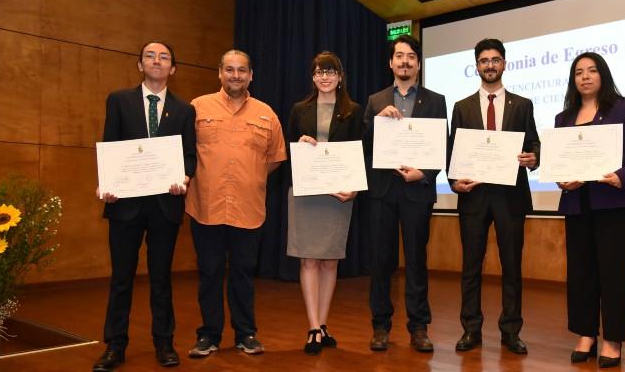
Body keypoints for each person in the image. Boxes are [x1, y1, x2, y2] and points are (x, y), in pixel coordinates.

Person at [93, 41, 196, 372]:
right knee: (121, 278)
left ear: (173, 69)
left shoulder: (184, 110)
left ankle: (164, 343)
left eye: (164, 57)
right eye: (150, 56)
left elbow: (190, 155)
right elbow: (110, 147)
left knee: (162, 278)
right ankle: (115, 346)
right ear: (140, 65)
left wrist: (184, 177)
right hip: (125, 204)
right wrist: (107, 184)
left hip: (165, 205)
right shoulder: (119, 101)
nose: (157, 61)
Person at [184, 49, 287, 358]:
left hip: (248, 208)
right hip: (206, 206)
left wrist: (249, 176)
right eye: (229, 69)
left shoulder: (267, 114)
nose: (235, 75)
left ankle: (246, 334)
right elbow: (185, 152)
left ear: (251, 75)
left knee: (243, 274)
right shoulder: (197, 108)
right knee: (210, 272)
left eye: (242, 70)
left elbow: (274, 159)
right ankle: (209, 335)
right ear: (220, 73)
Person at [555, 52, 625, 368]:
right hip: (577, 205)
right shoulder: (563, 118)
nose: (585, 76)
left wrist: (620, 176)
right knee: (580, 273)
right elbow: (560, 162)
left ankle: (612, 338)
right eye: (579, 72)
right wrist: (561, 179)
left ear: (602, 74)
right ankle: (585, 334)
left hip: (615, 203)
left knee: (614, 274)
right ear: (573, 79)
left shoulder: (624, 108)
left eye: (592, 70)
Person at [448, 38, 539, 354]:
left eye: (495, 59)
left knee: (512, 266)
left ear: (504, 63)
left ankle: (510, 331)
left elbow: (535, 145)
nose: (490, 65)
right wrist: (454, 182)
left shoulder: (523, 104)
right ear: (477, 66)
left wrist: (533, 158)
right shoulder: (461, 107)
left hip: (511, 196)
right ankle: (470, 329)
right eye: (484, 60)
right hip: (473, 197)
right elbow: (452, 155)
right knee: (471, 266)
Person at [363, 34, 447, 353]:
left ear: (418, 64)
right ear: (390, 62)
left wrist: (423, 173)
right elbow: (364, 145)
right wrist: (375, 123)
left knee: (416, 261)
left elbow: (442, 145)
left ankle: (419, 326)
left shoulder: (435, 100)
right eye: (399, 56)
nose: (404, 62)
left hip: (417, 191)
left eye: (410, 56)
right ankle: (380, 326)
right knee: (381, 261)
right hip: (383, 192)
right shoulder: (374, 101)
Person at [286, 52, 363, 355]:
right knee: (308, 259)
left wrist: (355, 189)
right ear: (313, 77)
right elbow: (289, 151)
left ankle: (323, 322)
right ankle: (313, 326)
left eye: (331, 71)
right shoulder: (298, 110)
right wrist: (300, 145)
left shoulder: (354, 111)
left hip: (339, 194)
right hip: (306, 192)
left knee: (330, 261)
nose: (325, 77)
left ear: (340, 76)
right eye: (319, 72)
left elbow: (360, 153)